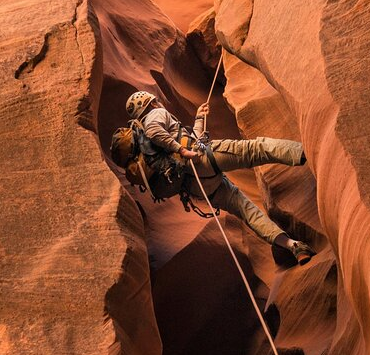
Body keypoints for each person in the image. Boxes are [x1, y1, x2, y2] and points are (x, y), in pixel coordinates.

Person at [125, 90, 316, 265]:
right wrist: (182, 150)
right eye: (155, 100)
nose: (158, 101)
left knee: (246, 211)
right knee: (257, 149)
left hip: (196, 186)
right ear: (149, 104)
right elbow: (156, 132)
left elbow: (191, 138)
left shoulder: (148, 147)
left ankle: (293, 246)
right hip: (203, 160)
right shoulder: (154, 115)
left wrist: (199, 118)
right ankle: (312, 152)